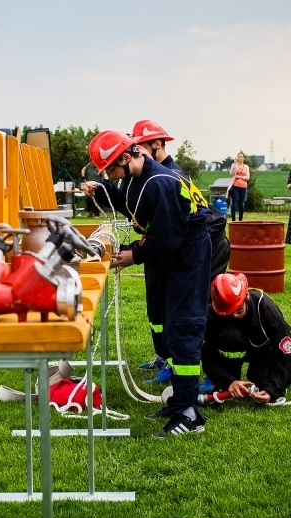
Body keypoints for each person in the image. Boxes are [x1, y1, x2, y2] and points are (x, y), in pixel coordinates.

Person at [83, 130, 212, 438]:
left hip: (190, 254)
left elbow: (167, 239)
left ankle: (189, 412)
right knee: (168, 322)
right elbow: (127, 202)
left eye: (111, 170)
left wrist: (134, 254)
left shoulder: (161, 183)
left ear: (127, 157)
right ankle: (180, 401)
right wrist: (100, 188)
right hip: (175, 251)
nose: (112, 176)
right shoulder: (135, 179)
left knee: (183, 327)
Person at [129, 120, 230, 383]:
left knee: (199, 313)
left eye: (140, 147)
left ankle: (214, 371)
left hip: (207, 243)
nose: (135, 153)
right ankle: (168, 359)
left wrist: (137, 253)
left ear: (157, 144)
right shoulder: (153, 174)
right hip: (189, 244)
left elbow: (171, 229)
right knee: (167, 308)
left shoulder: (167, 175)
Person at [200, 272, 291, 404]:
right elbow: (207, 356)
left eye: (238, 309)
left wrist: (272, 389)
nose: (234, 315)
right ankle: (233, 376)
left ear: (246, 296)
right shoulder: (213, 315)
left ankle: (286, 376)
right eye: (229, 312)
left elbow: (287, 351)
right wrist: (228, 381)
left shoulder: (265, 307)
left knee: (263, 384)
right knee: (229, 336)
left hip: (263, 351)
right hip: (233, 348)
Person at [225, 151, 250, 221]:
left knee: (242, 204)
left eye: (241, 157)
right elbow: (231, 173)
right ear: (237, 157)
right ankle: (233, 220)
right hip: (236, 185)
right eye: (238, 157)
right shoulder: (234, 165)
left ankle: (240, 220)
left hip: (243, 186)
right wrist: (234, 164)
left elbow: (247, 177)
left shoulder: (246, 167)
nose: (240, 158)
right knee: (234, 203)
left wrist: (240, 177)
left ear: (243, 158)